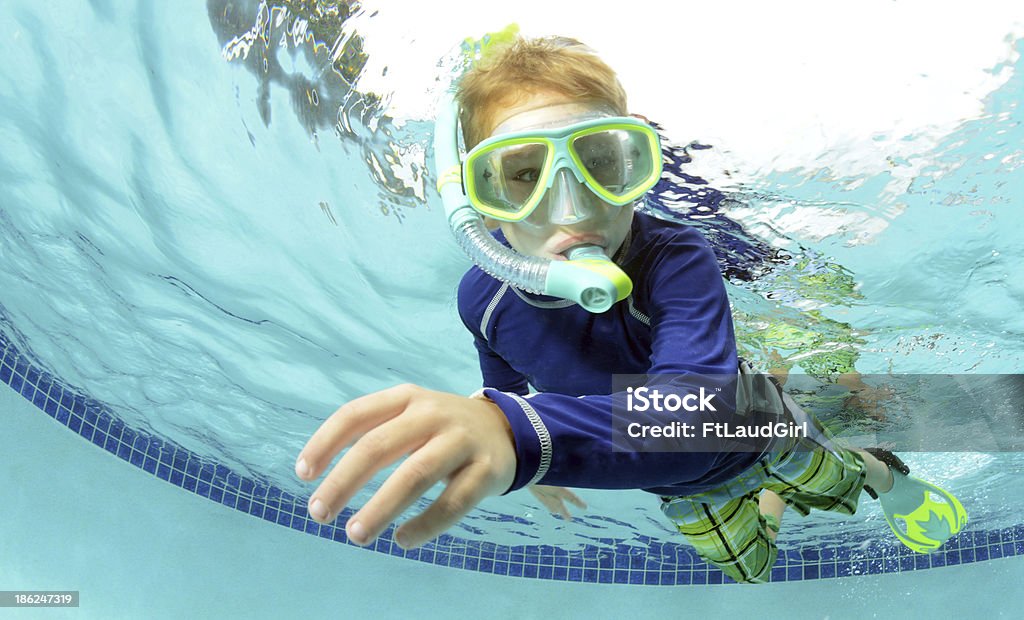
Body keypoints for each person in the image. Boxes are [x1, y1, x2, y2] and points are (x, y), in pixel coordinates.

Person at [295, 33, 967, 583]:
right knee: (751, 568)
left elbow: (698, 411)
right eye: (525, 174)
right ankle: (770, 490)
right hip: (675, 482)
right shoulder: (482, 294)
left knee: (844, 477)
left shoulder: (675, 256)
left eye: (598, 163)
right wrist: (508, 432)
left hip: (752, 425)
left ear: (634, 164)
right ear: (479, 199)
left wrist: (525, 438)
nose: (574, 205)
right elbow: (502, 381)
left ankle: (888, 478)